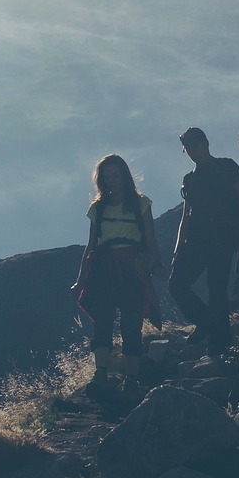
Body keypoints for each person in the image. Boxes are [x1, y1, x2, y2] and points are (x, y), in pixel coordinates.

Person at [73, 154, 165, 394]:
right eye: (107, 177)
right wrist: (80, 279)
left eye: (116, 175)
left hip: (133, 267)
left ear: (124, 175)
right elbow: (91, 244)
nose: (112, 181)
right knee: (102, 320)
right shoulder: (98, 208)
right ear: (101, 180)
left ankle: (131, 379)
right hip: (103, 268)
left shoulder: (141, 204)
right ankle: (100, 373)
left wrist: (156, 263)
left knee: (131, 322)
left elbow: (150, 237)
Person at [169, 127, 239, 352]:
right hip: (197, 237)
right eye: (187, 148)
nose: (191, 151)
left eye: (194, 145)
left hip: (222, 235)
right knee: (176, 284)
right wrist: (178, 248)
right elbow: (186, 216)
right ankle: (207, 324)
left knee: (217, 287)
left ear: (205, 143)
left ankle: (221, 345)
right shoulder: (189, 179)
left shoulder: (226, 166)